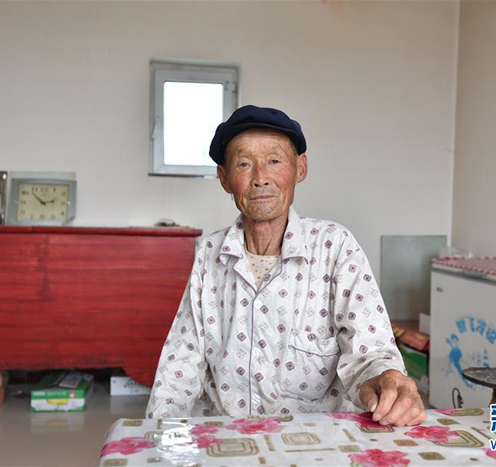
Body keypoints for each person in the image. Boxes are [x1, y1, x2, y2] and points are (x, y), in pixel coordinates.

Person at [146, 105, 426, 426]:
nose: (260, 178)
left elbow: (370, 351)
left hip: (314, 443)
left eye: (274, 161)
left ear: (300, 168)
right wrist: (156, 435)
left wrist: (386, 379)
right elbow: (181, 362)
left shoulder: (335, 247)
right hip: (227, 439)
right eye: (244, 164)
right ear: (224, 178)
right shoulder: (209, 253)